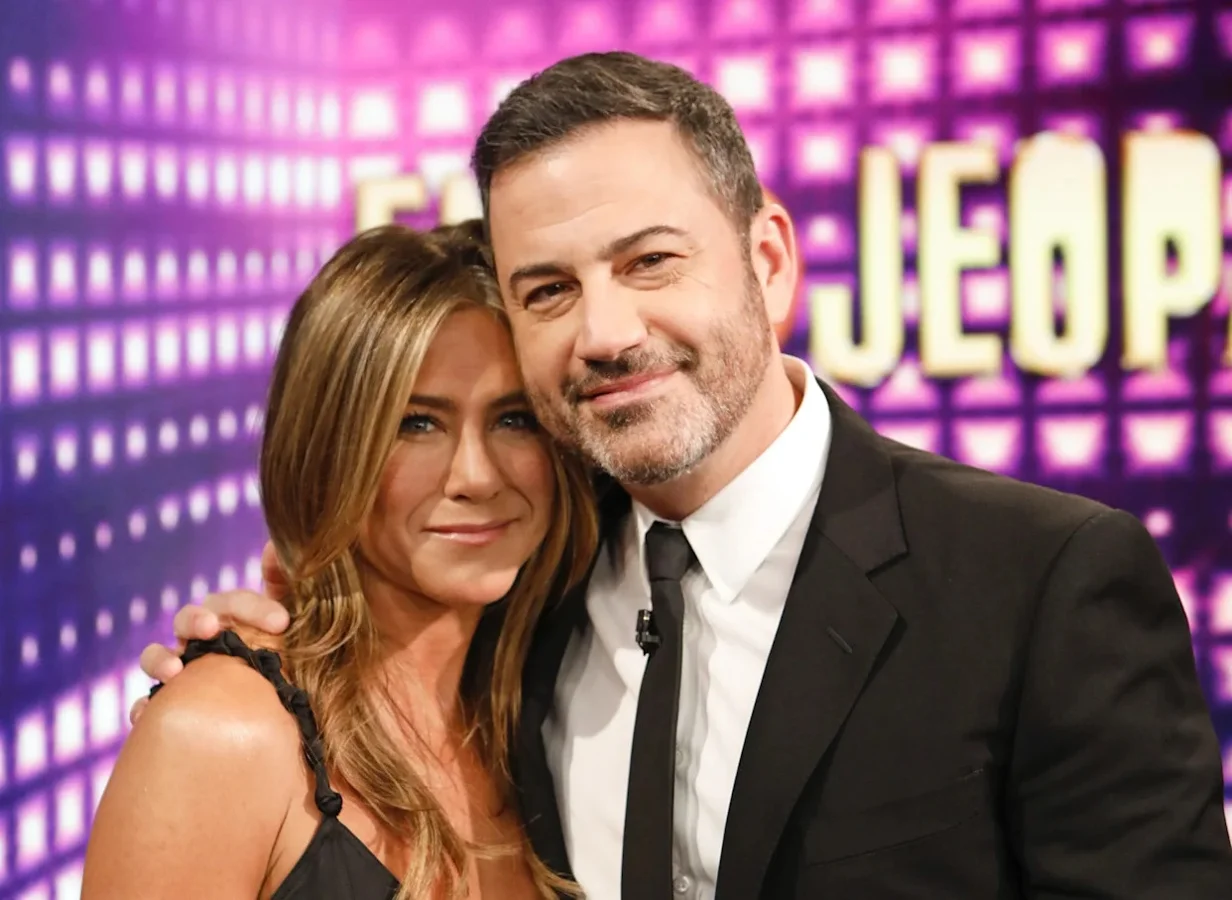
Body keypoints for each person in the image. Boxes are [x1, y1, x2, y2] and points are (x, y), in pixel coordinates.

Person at [134, 52, 1232, 899]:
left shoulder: (1036, 582)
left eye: (650, 260)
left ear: (768, 260)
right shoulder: (520, 590)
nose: (606, 332)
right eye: (548, 290)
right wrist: (272, 641)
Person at [83, 222, 599, 900]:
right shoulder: (221, 732)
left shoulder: (556, 717)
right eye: (417, 423)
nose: (476, 477)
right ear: (327, 448)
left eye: (515, 419)